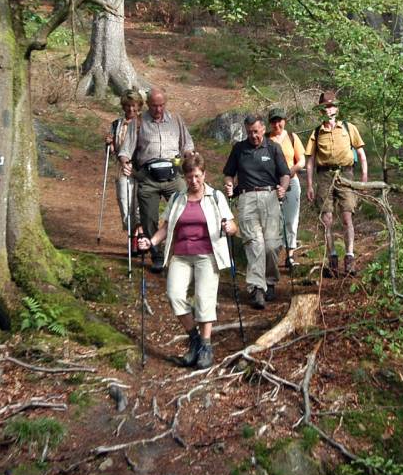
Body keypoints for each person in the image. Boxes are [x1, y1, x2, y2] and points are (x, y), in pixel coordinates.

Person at [137, 153, 237, 369]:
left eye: (197, 176)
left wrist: (230, 228)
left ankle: (206, 347)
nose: (194, 181)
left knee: (204, 299)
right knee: (174, 295)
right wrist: (151, 242)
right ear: (184, 177)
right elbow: (165, 227)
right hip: (180, 255)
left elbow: (232, 225)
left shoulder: (216, 196)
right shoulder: (177, 198)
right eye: (189, 177)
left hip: (207, 255)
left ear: (204, 175)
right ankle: (194, 338)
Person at [119, 89, 195, 273]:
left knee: (186, 210)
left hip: (173, 174)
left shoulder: (176, 121)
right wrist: (126, 163)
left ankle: (186, 249)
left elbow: (187, 144)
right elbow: (125, 151)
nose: (158, 109)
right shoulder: (138, 122)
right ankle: (157, 255)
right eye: (154, 106)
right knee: (148, 217)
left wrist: (188, 154)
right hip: (148, 177)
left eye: (161, 105)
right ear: (148, 104)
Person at [223, 115, 290, 309]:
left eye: (256, 131)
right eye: (249, 132)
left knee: (270, 245)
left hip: (270, 197)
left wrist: (283, 188)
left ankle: (270, 281)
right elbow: (229, 173)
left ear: (263, 129)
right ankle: (256, 288)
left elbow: (284, 173)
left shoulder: (273, 148)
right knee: (255, 244)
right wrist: (229, 185)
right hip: (247, 198)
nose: (253, 135)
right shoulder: (239, 149)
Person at [305, 91, 367, 277]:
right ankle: (332, 258)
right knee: (327, 220)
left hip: (346, 174)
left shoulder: (349, 128)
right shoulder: (316, 132)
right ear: (321, 110)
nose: (328, 109)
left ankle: (349, 257)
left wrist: (364, 177)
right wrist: (309, 184)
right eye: (325, 107)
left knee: (348, 217)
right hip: (324, 177)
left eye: (331, 106)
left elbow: (361, 153)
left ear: (337, 108)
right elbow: (310, 161)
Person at [267, 107, 306, 269]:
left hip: (292, 182)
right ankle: (272, 255)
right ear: (270, 123)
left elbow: (302, 160)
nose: (277, 124)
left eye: (279, 120)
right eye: (274, 121)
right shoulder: (265, 140)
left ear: (284, 121)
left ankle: (290, 255)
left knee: (291, 220)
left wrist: (289, 173)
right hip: (270, 185)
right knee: (273, 221)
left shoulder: (292, 137)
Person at [105, 89, 144, 232]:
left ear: (139, 106)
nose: (131, 108)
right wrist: (109, 144)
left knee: (140, 202)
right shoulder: (116, 124)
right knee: (124, 201)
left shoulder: (144, 123)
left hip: (141, 168)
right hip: (122, 169)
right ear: (123, 106)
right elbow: (113, 151)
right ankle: (130, 233)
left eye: (134, 105)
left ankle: (139, 235)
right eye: (128, 105)